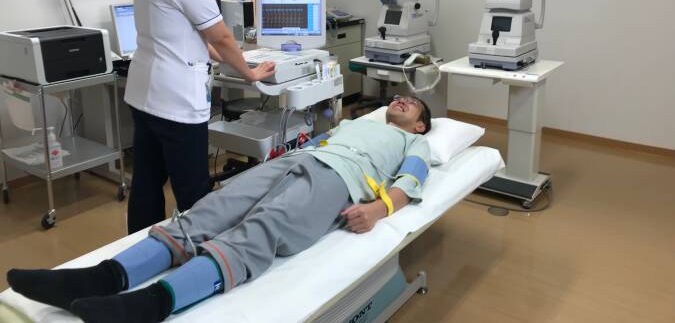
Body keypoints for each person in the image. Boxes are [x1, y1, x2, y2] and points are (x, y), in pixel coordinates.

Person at [7, 95, 433, 323]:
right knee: (212, 207)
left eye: (411, 103)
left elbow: (410, 182)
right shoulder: (353, 123)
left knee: (265, 226)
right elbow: (317, 142)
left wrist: (378, 211)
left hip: (341, 179)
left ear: (420, 124)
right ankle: (102, 277)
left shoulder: (414, 142)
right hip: (298, 160)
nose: (400, 99)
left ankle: (153, 304)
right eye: (398, 97)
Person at [123, 0, 275, 234]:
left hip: (144, 94)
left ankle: (139, 251)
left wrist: (230, 62)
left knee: (147, 182)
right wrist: (250, 74)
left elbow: (188, 36)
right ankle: (200, 254)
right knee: (193, 188)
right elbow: (220, 37)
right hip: (175, 101)